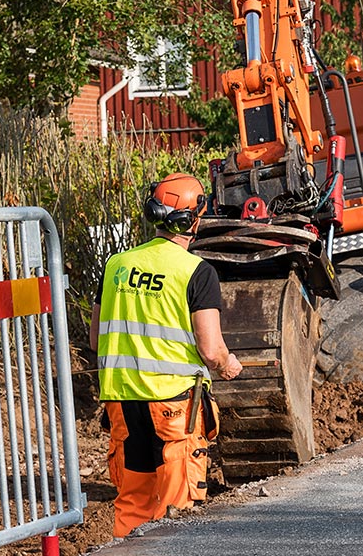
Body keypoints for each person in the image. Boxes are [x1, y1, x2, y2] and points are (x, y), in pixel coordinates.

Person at [90, 172, 243, 538]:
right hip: (173, 406)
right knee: (177, 509)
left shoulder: (116, 265)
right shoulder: (196, 272)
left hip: (122, 402)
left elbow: (97, 339)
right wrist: (227, 364)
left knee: (133, 499)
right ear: (194, 221)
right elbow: (211, 349)